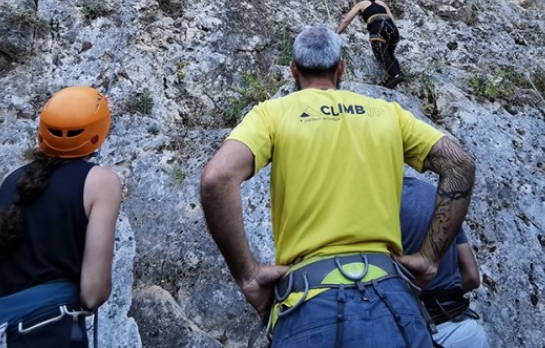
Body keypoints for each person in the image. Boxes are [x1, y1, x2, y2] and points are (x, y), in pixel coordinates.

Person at [200, 25, 476, 348]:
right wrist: (430, 257)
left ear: (293, 70)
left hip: (307, 303)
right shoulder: (387, 113)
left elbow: (217, 179)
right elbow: (460, 164)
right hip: (392, 302)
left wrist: (248, 276)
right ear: (341, 67)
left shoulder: (272, 114)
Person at [0, 87, 123, 348]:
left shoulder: (12, 180)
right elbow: (93, 293)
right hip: (45, 333)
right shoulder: (101, 182)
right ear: (98, 135)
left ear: (41, 133)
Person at [400, 176, 488, 348]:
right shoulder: (434, 194)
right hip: (468, 332)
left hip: (425, 336)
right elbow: (471, 277)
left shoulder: (375, 207)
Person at [337, 0, 405, 88]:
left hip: (378, 29)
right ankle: (398, 74)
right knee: (389, 54)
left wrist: (336, 34)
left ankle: (396, 75)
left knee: (381, 54)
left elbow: (346, 21)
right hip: (393, 30)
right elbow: (391, 18)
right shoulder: (382, 3)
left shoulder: (361, 4)